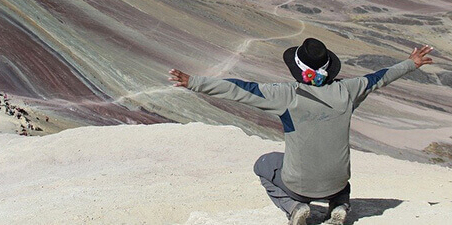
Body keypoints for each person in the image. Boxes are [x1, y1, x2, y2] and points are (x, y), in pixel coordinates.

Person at [169, 38, 434, 225]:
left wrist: (194, 82)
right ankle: (339, 206)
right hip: (336, 183)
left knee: (264, 165)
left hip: (299, 187)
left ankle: (294, 208)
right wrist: (411, 63)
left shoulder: (285, 95)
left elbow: (240, 90)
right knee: (340, 171)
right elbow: (379, 78)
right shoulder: (349, 90)